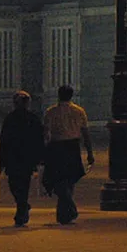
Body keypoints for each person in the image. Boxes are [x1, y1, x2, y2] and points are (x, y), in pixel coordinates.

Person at [42, 85, 95, 225]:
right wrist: (90, 152)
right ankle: (67, 211)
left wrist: (44, 151)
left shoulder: (51, 112)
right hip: (72, 147)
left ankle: (65, 212)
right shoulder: (79, 111)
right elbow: (85, 133)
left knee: (59, 180)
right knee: (70, 179)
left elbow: (45, 134)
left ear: (58, 95)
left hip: (56, 147)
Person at [0, 90, 44, 227]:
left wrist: (2, 159)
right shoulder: (31, 118)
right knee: (20, 185)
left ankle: (21, 211)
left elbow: (4, 139)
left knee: (17, 185)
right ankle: (23, 205)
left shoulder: (12, 118)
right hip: (23, 157)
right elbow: (39, 139)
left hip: (18, 157)